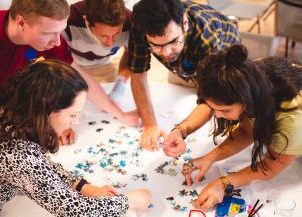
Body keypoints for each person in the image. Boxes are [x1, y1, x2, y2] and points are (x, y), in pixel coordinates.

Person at [0, 59, 151, 217]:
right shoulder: (17, 153)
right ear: (47, 109)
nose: (74, 122)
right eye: (72, 115)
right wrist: (131, 200)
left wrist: (81, 185)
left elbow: (40, 166)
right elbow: (75, 210)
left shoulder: (3, 111)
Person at [0, 0, 138, 130]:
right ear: (21, 23)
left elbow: (78, 75)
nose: (57, 42)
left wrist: (121, 115)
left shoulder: (51, 43)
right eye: (49, 34)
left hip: (9, 111)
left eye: (59, 32)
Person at [180, 44, 302, 210]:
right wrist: (210, 157)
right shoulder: (246, 73)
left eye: (224, 110)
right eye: (213, 108)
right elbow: (247, 131)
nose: (217, 115)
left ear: (246, 98)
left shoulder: (291, 118)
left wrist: (223, 184)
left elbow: (270, 167)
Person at [127, 0, 241, 150]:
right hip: (184, 67)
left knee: (223, 114)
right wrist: (149, 125)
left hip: (224, 69)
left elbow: (210, 99)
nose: (166, 53)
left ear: (185, 22)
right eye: (156, 45)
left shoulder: (207, 37)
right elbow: (138, 73)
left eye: (173, 41)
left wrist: (180, 131)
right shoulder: (141, 25)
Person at [63, 0, 132, 105]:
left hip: (107, 65)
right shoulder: (68, 20)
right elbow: (56, 55)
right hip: (72, 66)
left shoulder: (131, 23)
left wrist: (119, 86)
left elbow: (129, 54)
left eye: (116, 34)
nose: (110, 44)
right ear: (86, 22)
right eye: (104, 35)